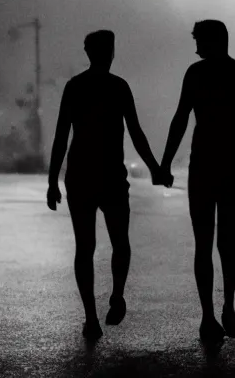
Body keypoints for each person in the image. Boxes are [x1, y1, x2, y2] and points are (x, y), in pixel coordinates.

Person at [46, 31, 171, 340]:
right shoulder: (118, 87)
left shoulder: (75, 87)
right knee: (120, 243)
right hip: (112, 177)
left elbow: (62, 136)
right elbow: (136, 133)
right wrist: (156, 168)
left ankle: (91, 318)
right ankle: (116, 295)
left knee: (84, 248)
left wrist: (52, 181)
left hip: (80, 177)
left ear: (88, 52)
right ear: (111, 52)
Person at [159, 20, 235, 341]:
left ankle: (209, 317)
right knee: (225, 243)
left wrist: (165, 163)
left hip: (203, 166)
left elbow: (180, 118)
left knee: (204, 244)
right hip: (230, 167)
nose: (196, 46)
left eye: (199, 40)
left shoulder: (196, 74)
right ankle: (226, 309)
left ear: (214, 40)